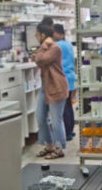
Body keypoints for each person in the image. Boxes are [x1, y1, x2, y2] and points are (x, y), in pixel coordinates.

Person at [31, 23, 68, 159]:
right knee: (40, 117)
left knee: (56, 119)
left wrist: (43, 48)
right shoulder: (47, 48)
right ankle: (49, 145)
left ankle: (59, 149)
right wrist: (38, 55)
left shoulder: (55, 48)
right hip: (45, 87)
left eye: (36, 34)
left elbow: (40, 59)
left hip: (57, 87)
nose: (35, 37)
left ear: (43, 35)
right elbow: (38, 59)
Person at [53, 24, 77, 141]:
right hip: (70, 78)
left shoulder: (57, 45)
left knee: (63, 109)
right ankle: (70, 130)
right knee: (68, 106)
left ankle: (66, 133)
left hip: (63, 79)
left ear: (58, 33)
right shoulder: (68, 44)